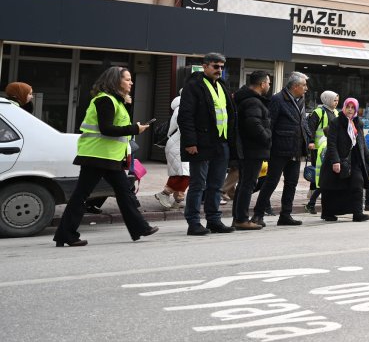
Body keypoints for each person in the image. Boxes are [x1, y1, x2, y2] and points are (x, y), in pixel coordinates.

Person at [52, 66, 158, 246]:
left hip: (107, 156)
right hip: (97, 156)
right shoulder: (105, 100)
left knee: (124, 192)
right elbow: (107, 129)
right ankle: (66, 235)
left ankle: (140, 227)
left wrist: (127, 106)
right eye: (127, 79)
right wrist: (135, 129)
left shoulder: (116, 101)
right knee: (83, 195)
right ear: (115, 81)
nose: (131, 82)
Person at [178, 52, 238, 236]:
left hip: (221, 142)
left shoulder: (221, 85)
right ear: (205, 66)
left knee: (216, 185)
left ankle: (213, 220)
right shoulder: (194, 85)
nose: (219, 70)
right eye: (215, 66)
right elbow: (185, 116)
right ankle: (194, 222)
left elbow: (228, 113)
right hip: (202, 143)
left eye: (221, 67)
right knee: (198, 184)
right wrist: (190, 142)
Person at [253, 72, 309, 227]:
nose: (306, 88)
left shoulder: (301, 100)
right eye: (304, 85)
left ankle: (285, 215)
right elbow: (269, 124)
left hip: (296, 149)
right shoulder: (278, 99)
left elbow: (303, 123)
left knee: (292, 183)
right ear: (296, 86)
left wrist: (308, 140)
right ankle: (258, 214)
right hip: (279, 148)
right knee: (271, 182)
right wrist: (267, 147)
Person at [319, 98, 369, 222]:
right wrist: (336, 161)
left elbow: (362, 143)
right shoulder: (336, 122)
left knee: (357, 182)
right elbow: (331, 143)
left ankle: (357, 213)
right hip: (338, 159)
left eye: (353, 107)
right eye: (348, 107)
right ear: (344, 108)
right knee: (332, 187)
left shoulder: (358, 123)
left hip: (353, 160)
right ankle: (328, 213)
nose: (350, 109)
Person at [231, 70, 272, 230]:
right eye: (268, 82)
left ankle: (238, 218)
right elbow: (253, 125)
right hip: (252, 150)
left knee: (244, 184)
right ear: (262, 84)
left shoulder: (248, 99)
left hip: (248, 149)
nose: (269, 85)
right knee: (247, 184)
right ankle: (241, 219)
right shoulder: (253, 102)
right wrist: (268, 136)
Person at [304, 91, 339, 214]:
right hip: (319, 147)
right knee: (318, 171)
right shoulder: (318, 112)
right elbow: (310, 127)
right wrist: (311, 141)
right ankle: (313, 193)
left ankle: (314, 196)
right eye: (334, 100)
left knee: (323, 174)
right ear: (327, 100)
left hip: (330, 146)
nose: (336, 103)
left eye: (337, 100)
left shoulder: (335, 112)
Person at [155, 93, 189, 210]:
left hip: (179, 144)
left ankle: (178, 200)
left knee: (181, 172)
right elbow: (186, 128)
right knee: (184, 173)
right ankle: (165, 193)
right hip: (178, 145)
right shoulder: (184, 108)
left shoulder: (183, 107)